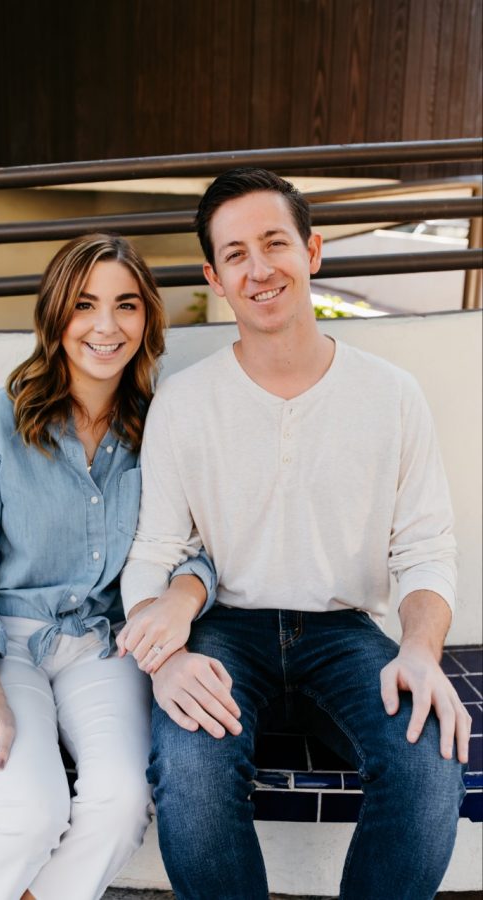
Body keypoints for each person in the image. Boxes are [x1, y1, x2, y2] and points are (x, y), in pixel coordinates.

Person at [116, 169, 471, 900]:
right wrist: (167, 660)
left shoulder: (390, 395)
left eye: (275, 242)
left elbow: (426, 548)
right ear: (216, 277)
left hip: (346, 633)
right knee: (188, 766)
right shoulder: (184, 403)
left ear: (312, 250)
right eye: (236, 253)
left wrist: (419, 651)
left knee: (432, 755)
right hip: (222, 632)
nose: (260, 267)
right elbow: (156, 550)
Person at [0, 233, 214, 900]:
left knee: (121, 804)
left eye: (126, 305)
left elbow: (199, 545)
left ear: (148, 317)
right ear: (55, 313)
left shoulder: (164, 425)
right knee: (30, 811)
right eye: (84, 305)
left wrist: (182, 593)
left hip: (103, 644)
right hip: (3, 639)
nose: (106, 326)